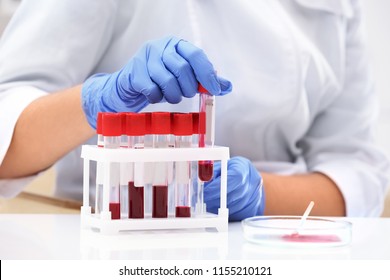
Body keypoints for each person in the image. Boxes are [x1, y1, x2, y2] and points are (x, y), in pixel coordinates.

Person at [0, 0, 388, 220]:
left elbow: (357, 170)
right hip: (116, 237)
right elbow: (5, 137)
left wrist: (260, 196)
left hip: (269, 242)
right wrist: (97, 101)